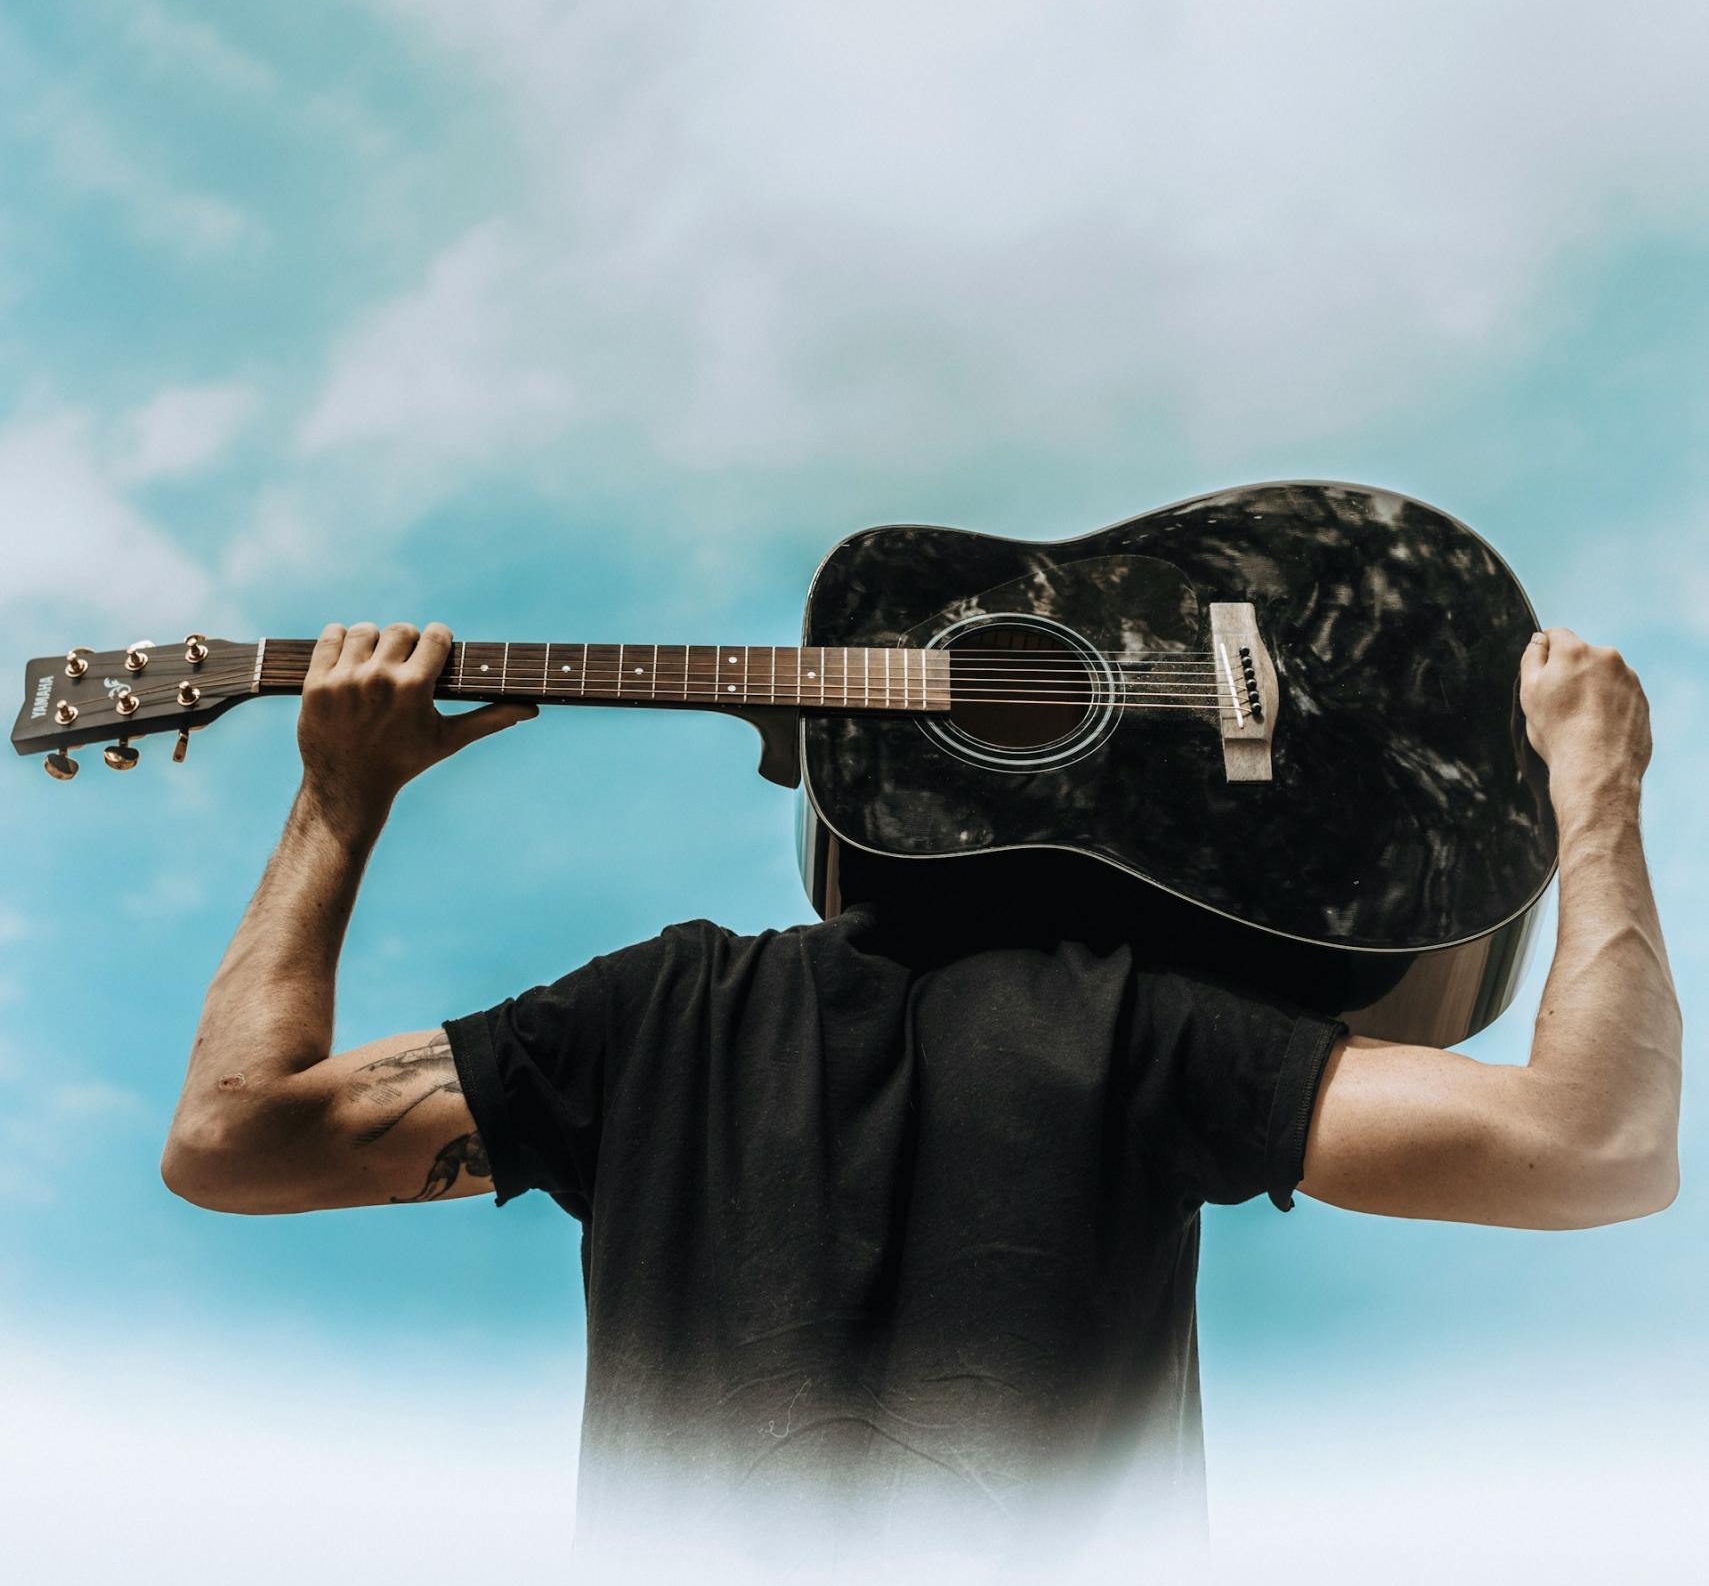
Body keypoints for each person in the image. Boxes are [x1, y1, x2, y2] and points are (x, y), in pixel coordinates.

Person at [161, 620, 1680, 1581]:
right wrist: (1593, 793)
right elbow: (1592, 1147)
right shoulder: (1150, 1028)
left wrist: (337, 796)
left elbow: (236, 1135)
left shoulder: (648, 1016)